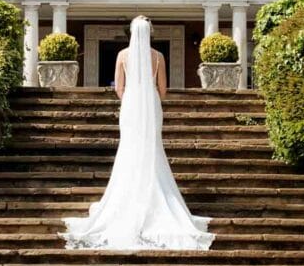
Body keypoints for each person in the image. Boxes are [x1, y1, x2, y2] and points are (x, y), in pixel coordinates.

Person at [60, 15, 215, 250]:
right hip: (151, 105)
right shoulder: (159, 57)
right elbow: (162, 89)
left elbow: (119, 87)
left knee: (130, 148)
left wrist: (132, 100)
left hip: (130, 105)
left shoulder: (122, 55)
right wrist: (150, 100)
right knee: (151, 147)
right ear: (150, 33)